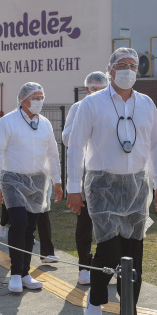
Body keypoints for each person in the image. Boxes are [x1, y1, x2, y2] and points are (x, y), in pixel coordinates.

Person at [67, 48, 157, 315]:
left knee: (133, 260)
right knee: (109, 250)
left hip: (137, 186)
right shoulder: (92, 103)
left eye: (132, 65)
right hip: (102, 186)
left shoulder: (146, 104)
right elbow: (76, 146)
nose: (127, 69)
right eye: (121, 64)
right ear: (109, 70)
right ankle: (96, 298)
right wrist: (73, 188)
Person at [0, 82, 63, 294]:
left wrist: (57, 181)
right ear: (23, 100)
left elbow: (53, 154)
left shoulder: (45, 123)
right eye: (35, 97)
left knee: (30, 227)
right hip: (12, 178)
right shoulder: (7, 121)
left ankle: (24, 273)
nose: (39, 101)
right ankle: (15, 273)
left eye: (41, 97)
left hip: (38, 181)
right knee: (19, 223)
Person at [62, 70, 109, 286]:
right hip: (87, 174)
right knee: (85, 222)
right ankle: (84, 267)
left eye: (101, 88)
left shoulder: (113, 107)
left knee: (110, 224)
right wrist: (83, 133)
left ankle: (108, 266)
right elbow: (66, 138)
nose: (96, 91)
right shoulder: (78, 108)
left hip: (109, 174)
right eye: (93, 88)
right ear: (87, 89)